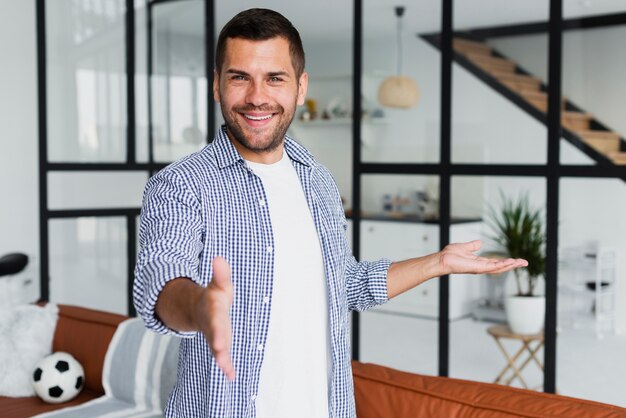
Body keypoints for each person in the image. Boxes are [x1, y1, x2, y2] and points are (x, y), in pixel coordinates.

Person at [133, 8, 527, 418]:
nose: (256, 96)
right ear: (217, 85)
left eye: (275, 78)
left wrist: (438, 262)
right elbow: (158, 284)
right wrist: (201, 307)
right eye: (239, 77)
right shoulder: (180, 185)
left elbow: (346, 284)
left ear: (300, 87)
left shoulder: (318, 181)